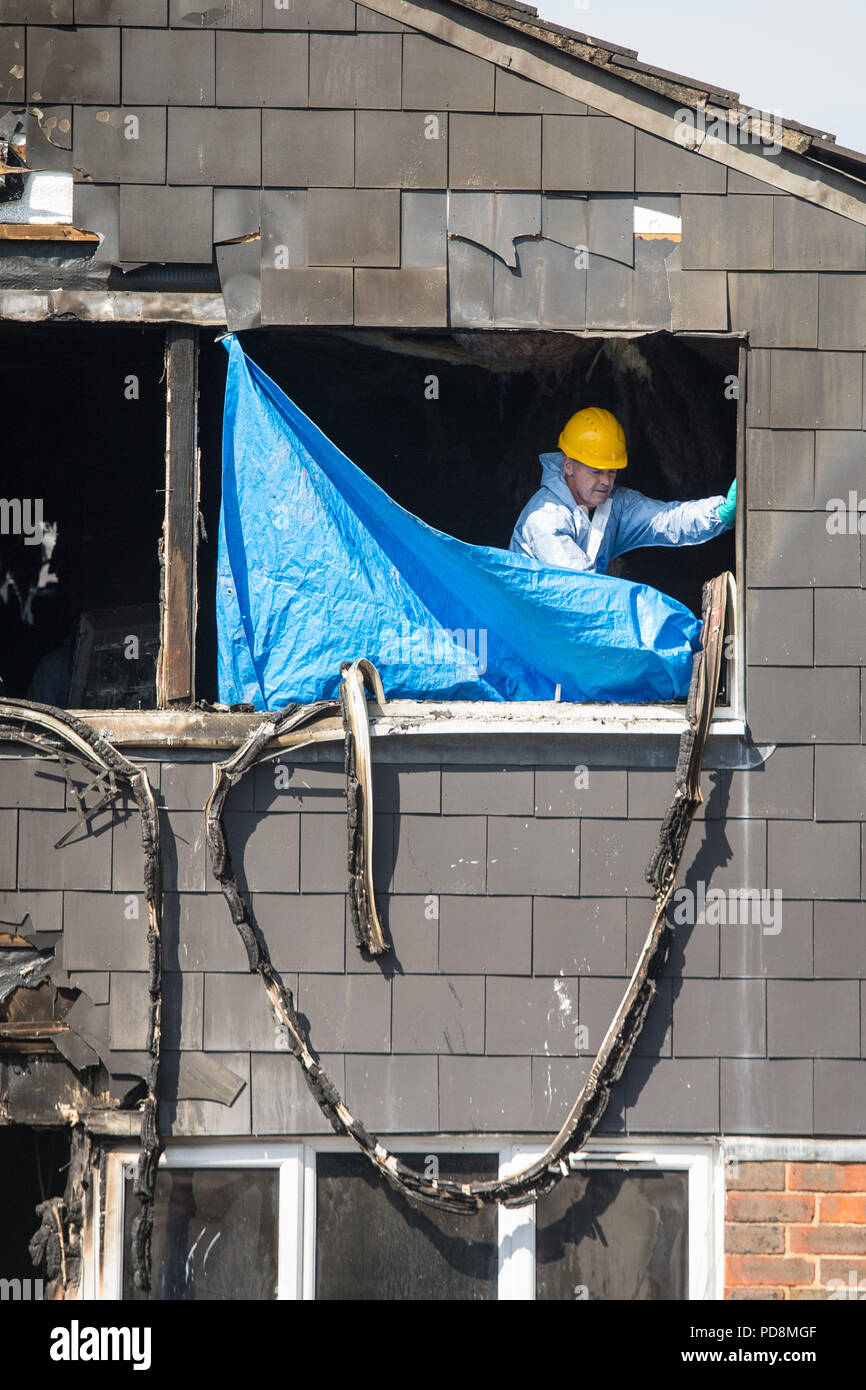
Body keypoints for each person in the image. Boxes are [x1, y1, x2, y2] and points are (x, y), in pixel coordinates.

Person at [509, 407, 736, 574]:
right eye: (596, 471)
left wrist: (720, 513)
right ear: (568, 465)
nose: (606, 481)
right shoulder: (543, 518)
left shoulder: (615, 504)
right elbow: (580, 588)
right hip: (531, 633)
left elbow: (668, 520)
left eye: (612, 471)